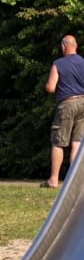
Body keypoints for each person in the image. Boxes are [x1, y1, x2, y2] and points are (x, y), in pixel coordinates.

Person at [48, 34, 84, 187]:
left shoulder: (58, 64)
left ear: (63, 46)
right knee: (77, 141)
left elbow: (50, 87)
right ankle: (72, 181)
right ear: (75, 46)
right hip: (83, 102)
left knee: (59, 141)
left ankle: (54, 179)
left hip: (67, 103)